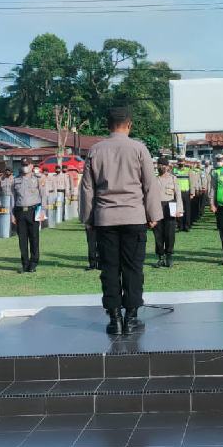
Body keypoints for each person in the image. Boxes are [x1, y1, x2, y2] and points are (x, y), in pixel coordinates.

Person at [78, 106, 161, 335]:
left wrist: (87, 217)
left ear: (108, 125)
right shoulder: (138, 148)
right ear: (129, 124)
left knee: (110, 269)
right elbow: (150, 184)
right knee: (134, 268)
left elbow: (87, 188)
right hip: (134, 216)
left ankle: (114, 319)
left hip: (105, 219)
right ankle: (131, 318)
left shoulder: (95, 150)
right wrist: (153, 215)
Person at [11, 160, 44, 273]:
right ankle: (24, 264)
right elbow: (13, 198)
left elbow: (43, 195)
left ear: (31, 166)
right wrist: (12, 214)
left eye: (26, 165)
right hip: (20, 212)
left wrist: (42, 211)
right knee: (22, 240)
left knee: (34, 238)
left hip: (33, 211)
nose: (24, 167)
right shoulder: (16, 180)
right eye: (23, 165)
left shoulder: (38, 179)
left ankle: (33, 263)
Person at [152, 157, 182, 268]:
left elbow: (178, 195)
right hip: (157, 206)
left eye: (164, 165)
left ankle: (169, 256)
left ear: (168, 167)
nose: (162, 167)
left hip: (171, 206)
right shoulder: (154, 179)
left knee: (170, 233)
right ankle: (160, 257)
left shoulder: (173, 179)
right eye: (160, 165)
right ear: (157, 166)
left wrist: (179, 210)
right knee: (158, 233)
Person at [173, 160, 193, 232]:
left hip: (186, 192)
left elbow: (191, 182)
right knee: (179, 209)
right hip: (178, 193)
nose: (181, 163)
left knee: (187, 210)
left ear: (184, 163)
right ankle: (180, 226)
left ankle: (187, 226)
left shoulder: (188, 170)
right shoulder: (174, 170)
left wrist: (192, 193)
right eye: (180, 162)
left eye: (182, 162)